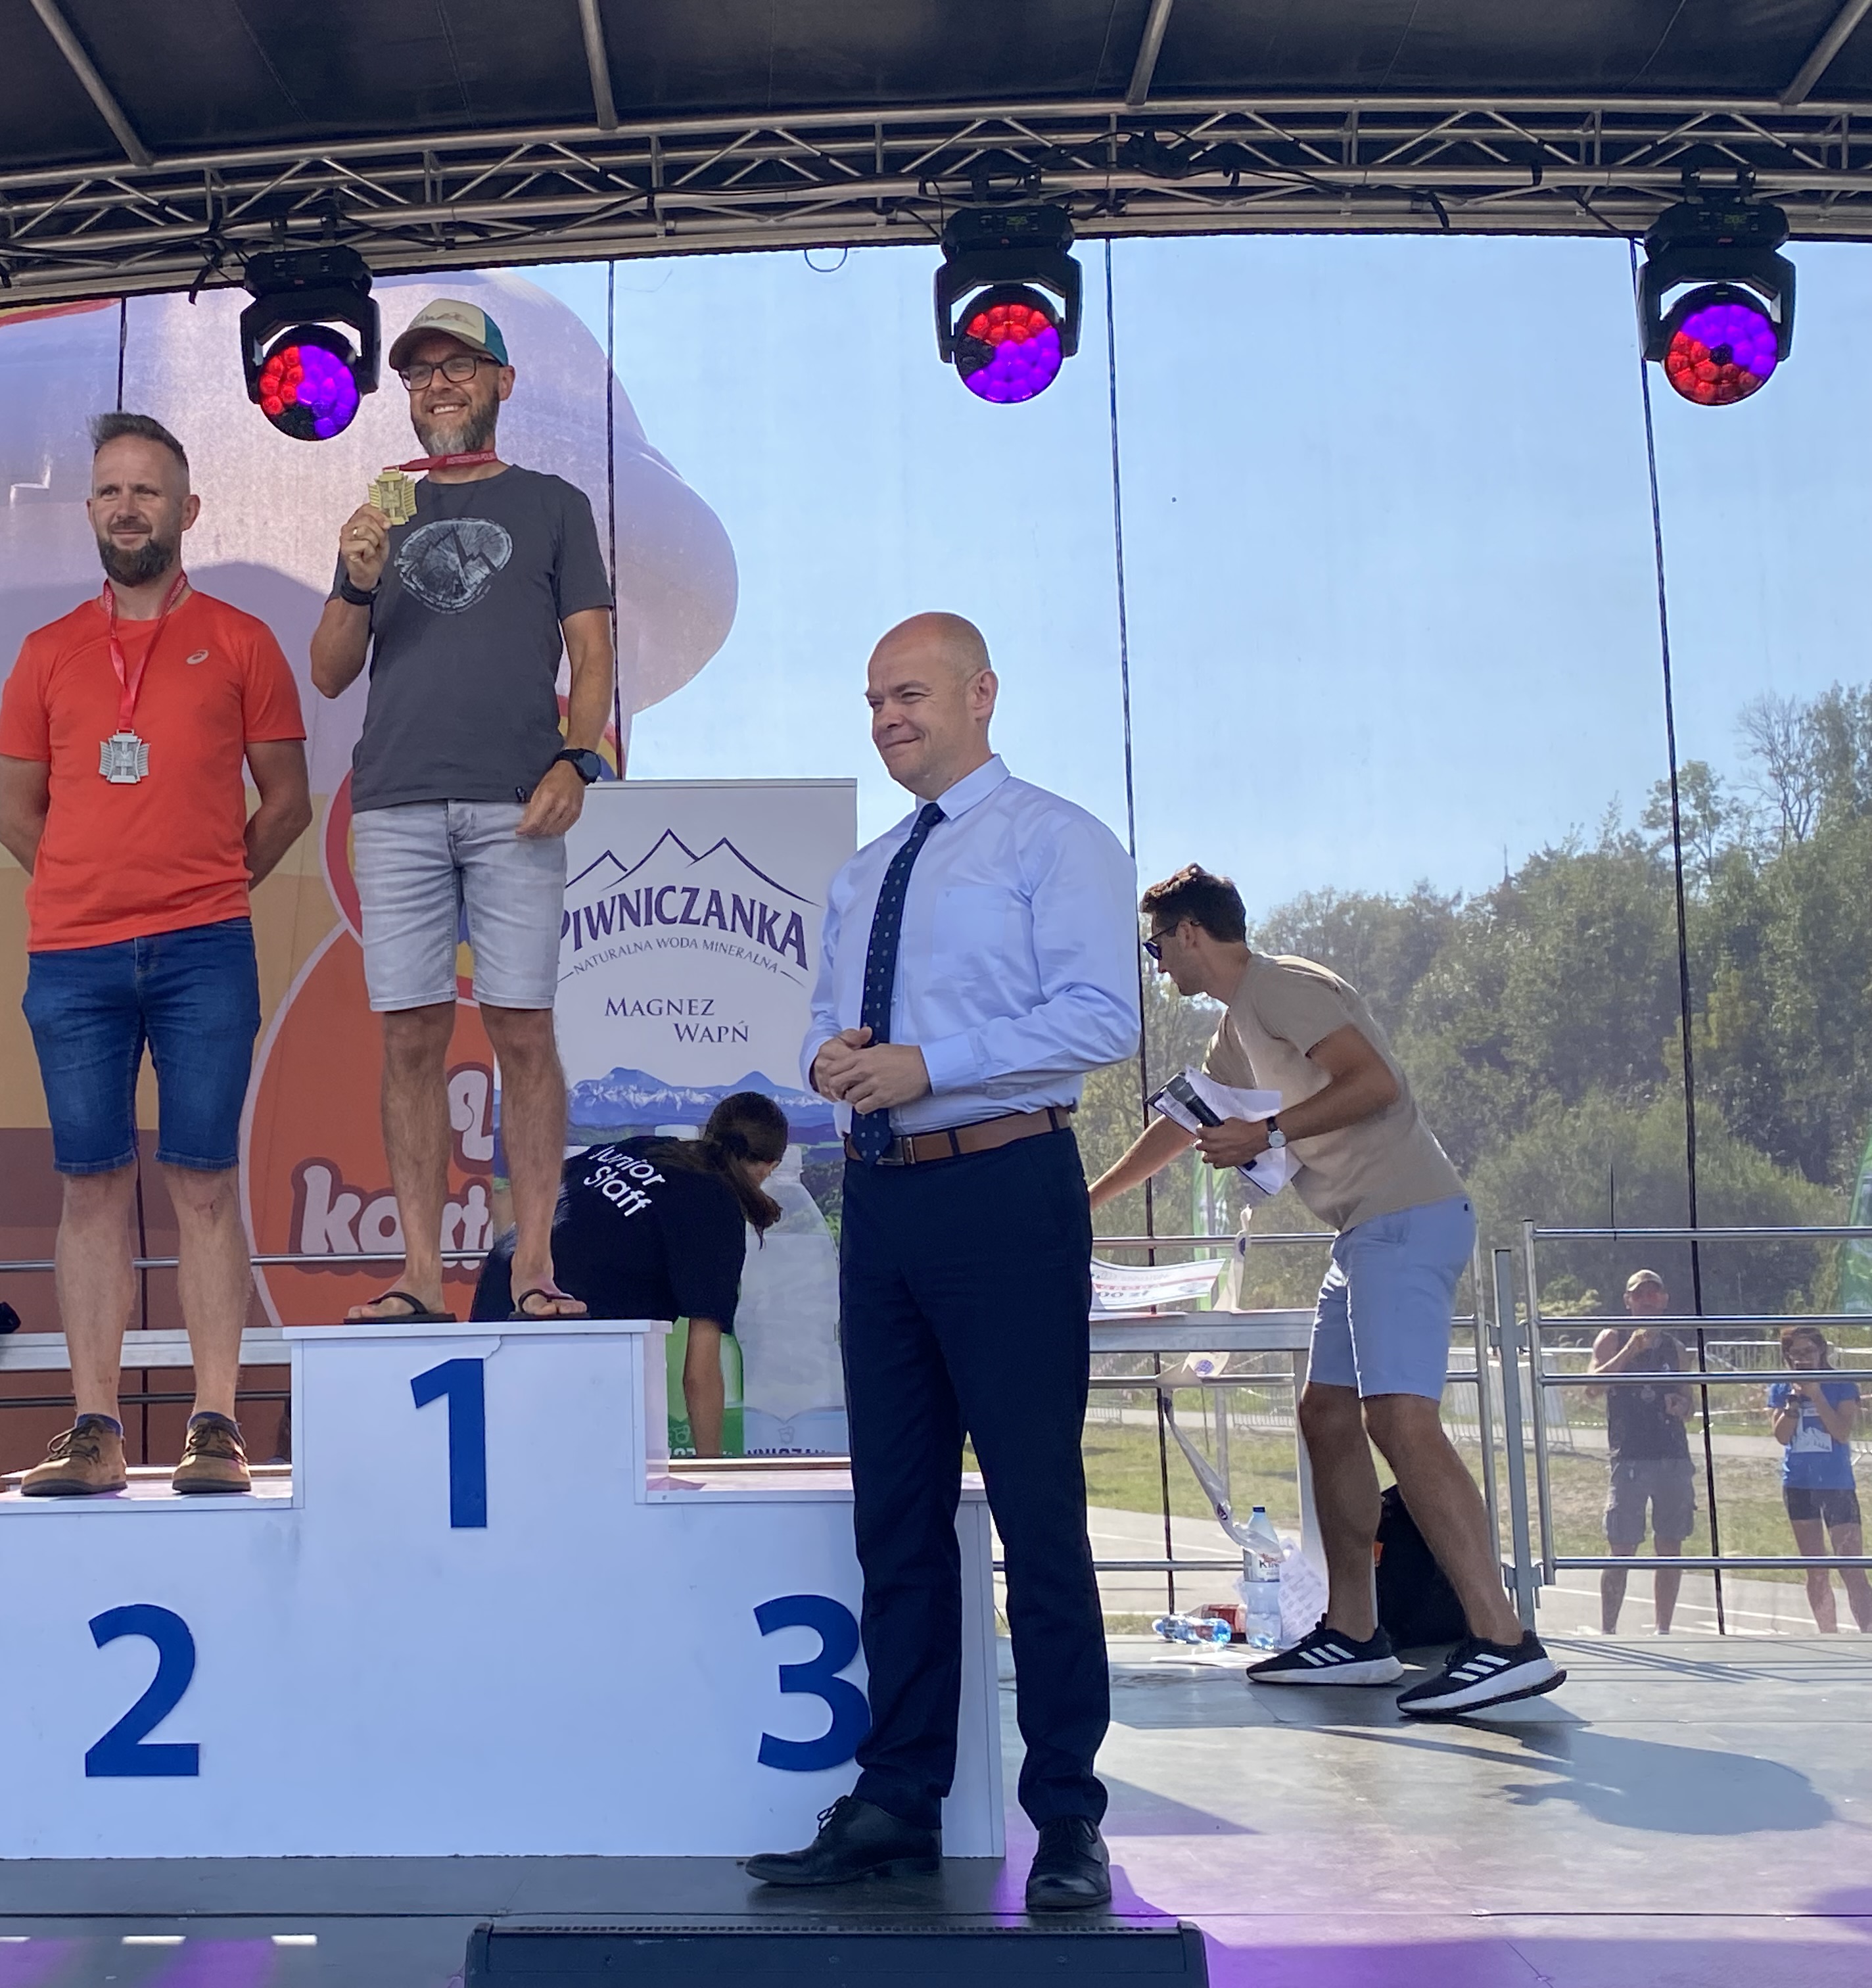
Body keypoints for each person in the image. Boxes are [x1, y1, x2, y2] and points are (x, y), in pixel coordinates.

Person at [744, 614, 1136, 1913]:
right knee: (896, 1516)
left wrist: (928, 1065)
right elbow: (824, 1024)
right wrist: (832, 1059)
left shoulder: (1054, 839)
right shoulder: (864, 873)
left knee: (1038, 1513)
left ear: (982, 694)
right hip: (885, 1203)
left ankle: (1067, 1816)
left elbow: (1102, 1016)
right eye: (872, 700)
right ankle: (898, 1798)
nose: (887, 719)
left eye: (909, 694)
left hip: (1007, 1188)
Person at [1091, 865, 1563, 1716]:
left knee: (1401, 1421)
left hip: (1405, 1217)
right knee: (1326, 1414)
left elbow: (1375, 1082)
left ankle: (1502, 1638)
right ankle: (1353, 1633)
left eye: (1156, 947)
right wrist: (1086, 1202)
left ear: (1191, 933)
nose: (1156, 964)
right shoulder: (1238, 1026)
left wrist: (1268, 1131)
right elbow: (1185, 1124)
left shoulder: (1281, 988)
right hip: (1362, 1233)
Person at [0, 412, 312, 1498]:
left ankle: (214, 1424)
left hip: (203, 950)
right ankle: (94, 1428)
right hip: (73, 958)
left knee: (205, 1182)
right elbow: (15, 815)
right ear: (90, 509)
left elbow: (286, 801)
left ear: (188, 510)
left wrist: (204, 887)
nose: (126, 507)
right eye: (110, 490)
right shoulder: (45, 653)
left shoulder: (242, 641)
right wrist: (91, 885)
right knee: (89, 1186)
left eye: (146, 490)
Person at [310, 298, 615, 1327]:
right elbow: (328, 671)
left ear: (501, 383)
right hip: (396, 803)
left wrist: (579, 758)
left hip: (517, 803)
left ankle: (534, 1267)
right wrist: (357, 583)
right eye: (420, 372)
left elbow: (593, 650)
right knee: (410, 1039)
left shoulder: (554, 503)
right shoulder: (381, 506)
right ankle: (418, 1276)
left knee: (522, 1030)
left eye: (457, 367)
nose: (437, 386)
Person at [471, 1093, 789, 1456]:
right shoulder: (718, 1209)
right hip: (565, 1323)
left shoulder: (645, 1147)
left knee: (501, 1457)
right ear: (769, 1167)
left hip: (504, 1283)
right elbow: (700, 1373)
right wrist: (713, 1470)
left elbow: (522, 1199)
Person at [1587, 1270, 1693, 1635]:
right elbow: (1590, 1387)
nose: (1647, 1301)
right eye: (1640, 1295)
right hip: (1629, 1455)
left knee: (1671, 1544)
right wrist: (1630, 1350)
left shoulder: (1675, 1348)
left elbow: (1690, 1403)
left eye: (1653, 1294)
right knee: (1621, 1545)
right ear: (1628, 1301)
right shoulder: (1612, 1338)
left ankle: (1664, 1630)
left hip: (1672, 1454)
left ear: (1664, 1300)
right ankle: (1608, 1630)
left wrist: (1682, 1406)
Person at [1771, 1323, 1870, 1634]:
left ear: (1821, 1351)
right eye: (1797, 1353)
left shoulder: (1841, 1384)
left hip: (1836, 1483)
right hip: (1799, 1483)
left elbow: (1842, 1432)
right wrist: (1793, 1404)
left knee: (1851, 1566)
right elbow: (1781, 1436)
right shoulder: (1782, 1387)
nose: (1804, 1358)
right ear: (1788, 1356)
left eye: (1809, 1351)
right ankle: (1828, 1634)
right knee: (1816, 1568)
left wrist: (1816, 1394)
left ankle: (1868, 1632)